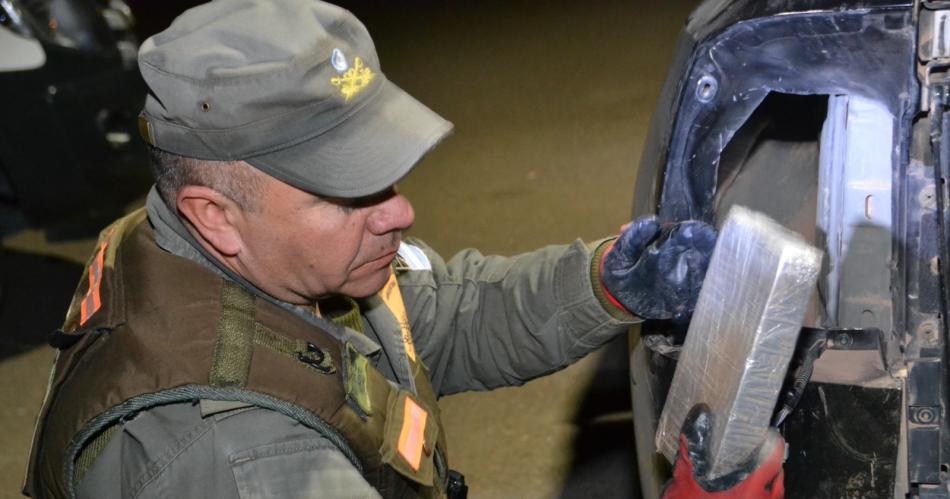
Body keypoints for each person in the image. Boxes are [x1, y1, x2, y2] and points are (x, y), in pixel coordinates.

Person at [22, 1, 776, 498]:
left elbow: (437, 316)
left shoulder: (221, 246)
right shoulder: (242, 462)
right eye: (348, 192)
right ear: (215, 216)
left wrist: (606, 283)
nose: (403, 211)